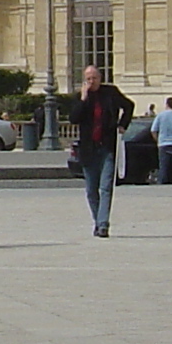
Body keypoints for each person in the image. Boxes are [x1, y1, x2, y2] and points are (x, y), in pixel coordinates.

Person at [64, 65, 133, 237]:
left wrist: (122, 125)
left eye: (94, 78)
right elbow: (73, 118)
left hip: (106, 147)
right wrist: (83, 99)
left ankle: (103, 225)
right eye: (88, 78)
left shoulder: (110, 92)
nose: (91, 81)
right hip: (88, 149)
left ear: (100, 78)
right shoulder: (81, 97)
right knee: (91, 190)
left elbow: (129, 106)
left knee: (106, 187)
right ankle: (97, 220)